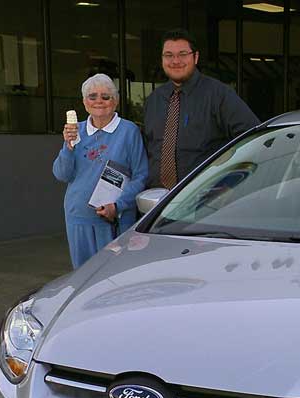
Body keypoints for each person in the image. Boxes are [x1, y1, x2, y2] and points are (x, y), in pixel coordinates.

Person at [144, 28, 260, 189]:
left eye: (183, 54)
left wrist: (228, 185)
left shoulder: (219, 95)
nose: (175, 61)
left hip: (204, 199)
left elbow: (253, 138)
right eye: (169, 55)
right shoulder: (154, 100)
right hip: (156, 200)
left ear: (195, 57)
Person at [53, 73, 148, 269]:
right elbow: (62, 174)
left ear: (116, 102)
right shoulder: (75, 130)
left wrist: (119, 205)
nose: (99, 101)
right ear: (84, 102)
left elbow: (141, 175)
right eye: (92, 96)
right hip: (78, 216)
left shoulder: (129, 131)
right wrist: (68, 146)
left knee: (114, 274)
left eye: (106, 97)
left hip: (114, 219)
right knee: (83, 276)